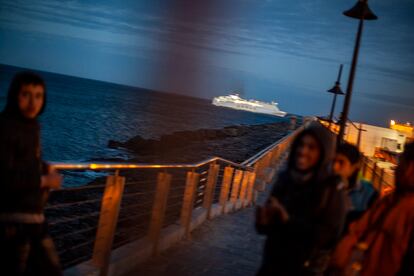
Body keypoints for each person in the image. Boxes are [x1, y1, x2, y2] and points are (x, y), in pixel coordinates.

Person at [256, 122, 348, 276]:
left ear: (324, 153)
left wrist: (288, 221)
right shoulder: (285, 179)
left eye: (311, 148)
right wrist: (263, 222)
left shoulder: (331, 190)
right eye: (301, 145)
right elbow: (267, 230)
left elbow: (327, 237)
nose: (303, 151)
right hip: (271, 266)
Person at [0, 72, 62, 275]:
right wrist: (44, 179)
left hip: (33, 219)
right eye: (26, 94)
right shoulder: (7, 127)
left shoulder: (31, 126)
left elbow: (22, 161)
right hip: (14, 223)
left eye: (38, 96)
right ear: (14, 95)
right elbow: (5, 177)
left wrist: (42, 167)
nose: (32, 102)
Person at [329, 142, 414, 276]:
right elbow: (358, 231)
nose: (396, 168)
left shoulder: (398, 206)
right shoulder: (389, 200)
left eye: (401, 162)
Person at [333, 143, 378, 230]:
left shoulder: (369, 195)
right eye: (333, 161)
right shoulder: (322, 187)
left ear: (354, 167)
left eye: (341, 162)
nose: (335, 167)